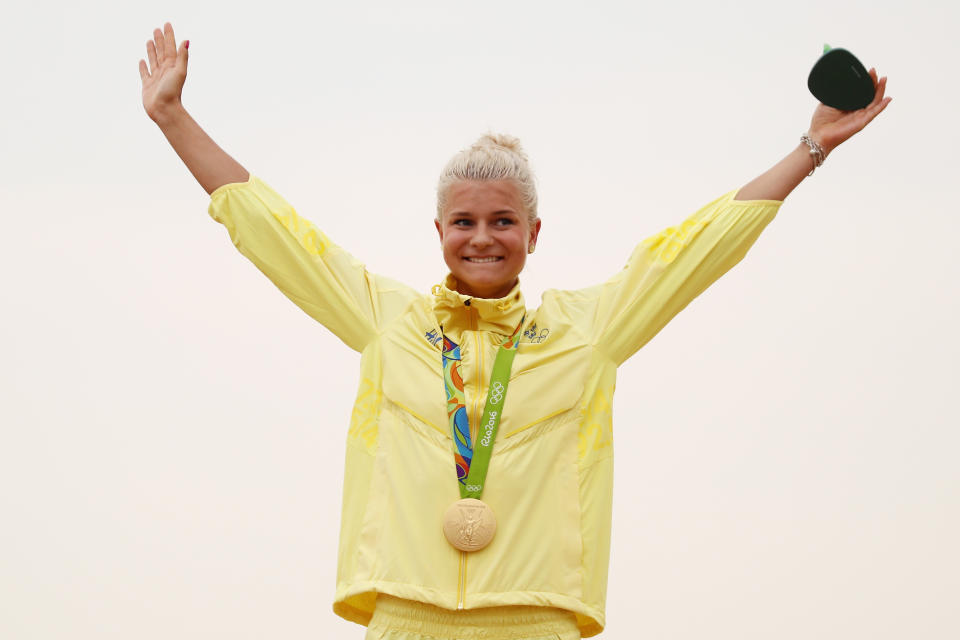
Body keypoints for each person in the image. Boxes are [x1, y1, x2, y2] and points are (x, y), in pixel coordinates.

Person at [139, 22, 891, 640]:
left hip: (538, 618)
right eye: (464, 222)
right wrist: (173, 117)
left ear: (534, 232)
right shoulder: (385, 319)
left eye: (503, 221)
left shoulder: (587, 330)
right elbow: (275, 230)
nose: (482, 238)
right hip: (406, 615)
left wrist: (813, 147)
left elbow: (696, 248)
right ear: (438, 230)